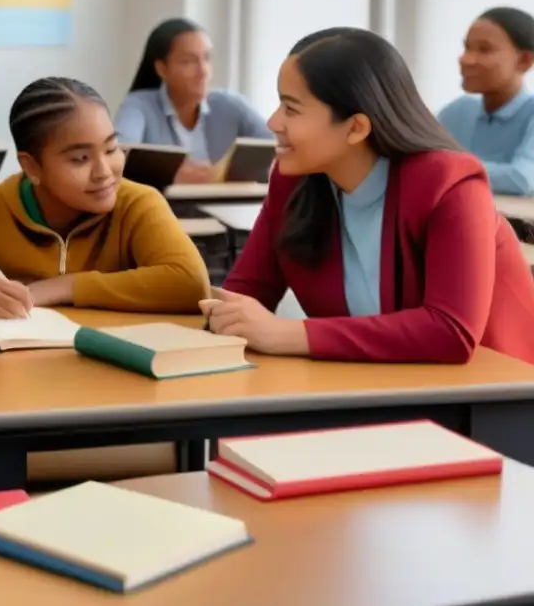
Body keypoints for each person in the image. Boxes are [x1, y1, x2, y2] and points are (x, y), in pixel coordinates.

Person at [202, 27, 534, 365]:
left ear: (356, 127)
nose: (273, 122)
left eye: (291, 108)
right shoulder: (294, 184)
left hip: (491, 400)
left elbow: (451, 331)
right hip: (371, 387)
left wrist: (286, 333)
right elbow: (242, 299)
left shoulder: (451, 185)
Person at [0, 77, 211, 316]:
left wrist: (66, 286)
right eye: (80, 159)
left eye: (112, 149)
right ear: (32, 167)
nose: (105, 171)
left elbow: (189, 282)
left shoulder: (136, 202)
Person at [114, 18, 271, 183]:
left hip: (224, 206)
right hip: (165, 207)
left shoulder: (230, 104)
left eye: (207, 58)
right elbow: (117, 156)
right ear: (162, 69)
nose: (203, 71)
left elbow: (277, 146)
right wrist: (170, 175)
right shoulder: (138, 105)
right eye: (188, 61)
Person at [438, 7, 534, 195]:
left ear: (524, 60)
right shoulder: (454, 113)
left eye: (485, 49)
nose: (466, 59)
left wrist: (444, 166)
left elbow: (522, 180)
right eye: (467, 47)